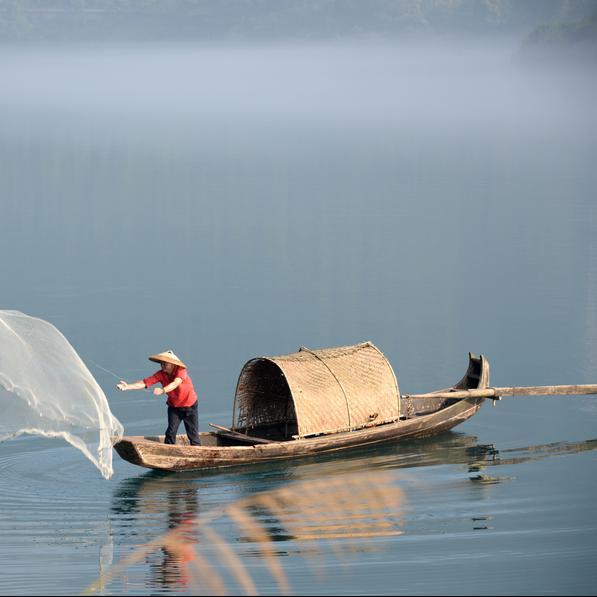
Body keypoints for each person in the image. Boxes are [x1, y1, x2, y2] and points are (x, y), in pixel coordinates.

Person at [117, 350, 200, 446]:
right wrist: (127, 387)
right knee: (170, 432)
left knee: (193, 434)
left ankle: (199, 452)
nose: (163, 365)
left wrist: (162, 390)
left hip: (189, 406)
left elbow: (176, 383)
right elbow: (145, 382)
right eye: (161, 363)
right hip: (174, 407)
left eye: (165, 363)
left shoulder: (181, 371)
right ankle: (168, 450)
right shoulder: (161, 374)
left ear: (173, 364)